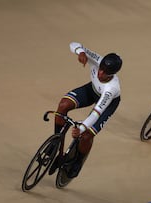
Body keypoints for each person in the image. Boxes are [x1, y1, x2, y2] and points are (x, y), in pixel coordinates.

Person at [50, 42, 122, 178]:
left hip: (107, 103)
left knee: (87, 135)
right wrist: (80, 52)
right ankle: (56, 141)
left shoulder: (112, 89)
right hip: (92, 90)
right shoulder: (98, 59)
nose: (100, 73)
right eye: (100, 69)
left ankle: (78, 161)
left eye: (105, 73)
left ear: (112, 75)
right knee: (63, 105)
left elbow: (96, 112)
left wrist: (81, 129)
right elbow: (74, 44)